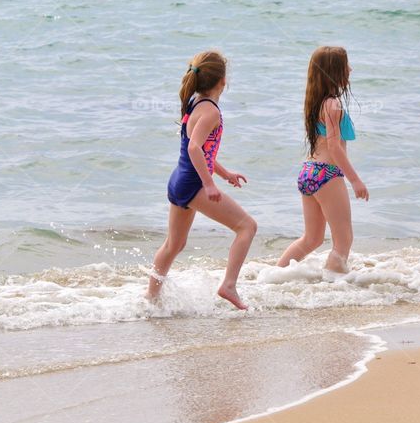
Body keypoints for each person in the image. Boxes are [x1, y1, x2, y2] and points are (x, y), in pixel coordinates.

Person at [145, 50, 256, 310]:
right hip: (194, 183)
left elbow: (201, 152)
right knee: (247, 227)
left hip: (179, 181)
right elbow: (195, 149)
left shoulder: (195, 102)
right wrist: (208, 183)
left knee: (174, 244)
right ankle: (228, 285)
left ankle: (150, 299)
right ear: (223, 81)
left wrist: (224, 173)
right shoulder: (211, 112)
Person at [277, 46, 369, 273]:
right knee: (343, 241)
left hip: (309, 171)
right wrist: (355, 180)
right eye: (346, 65)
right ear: (335, 71)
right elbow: (335, 149)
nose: (350, 69)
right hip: (327, 174)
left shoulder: (316, 102)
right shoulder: (333, 105)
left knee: (311, 238)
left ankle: (271, 277)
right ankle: (334, 286)